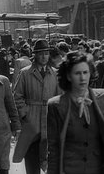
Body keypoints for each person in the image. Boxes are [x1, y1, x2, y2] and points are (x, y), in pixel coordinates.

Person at [46, 51, 104, 174]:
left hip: (99, 168)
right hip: (70, 168)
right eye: (77, 73)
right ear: (69, 76)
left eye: (85, 72)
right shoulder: (56, 105)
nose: (82, 78)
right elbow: (53, 147)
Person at [12, 39, 62, 174]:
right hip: (31, 120)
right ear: (35, 55)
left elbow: (60, 98)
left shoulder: (55, 74)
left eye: (46, 53)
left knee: (51, 159)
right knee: (32, 160)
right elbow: (17, 96)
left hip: (49, 119)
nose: (44, 56)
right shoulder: (25, 73)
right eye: (41, 53)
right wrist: (25, 114)